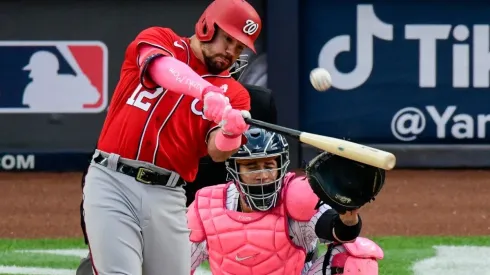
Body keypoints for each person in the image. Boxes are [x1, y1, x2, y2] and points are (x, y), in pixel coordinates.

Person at [81, 0, 263, 274]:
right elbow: (161, 69)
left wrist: (231, 132)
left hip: (168, 195)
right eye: (228, 39)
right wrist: (204, 92)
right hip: (112, 180)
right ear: (206, 26)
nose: (231, 52)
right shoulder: (160, 39)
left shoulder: (235, 94)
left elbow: (218, 151)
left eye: (239, 47)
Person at [188, 127, 385, 275]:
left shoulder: (297, 196)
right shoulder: (207, 205)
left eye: (268, 165)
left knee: (356, 258)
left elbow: (336, 231)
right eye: (251, 166)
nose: (262, 174)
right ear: (235, 170)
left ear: (281, 166)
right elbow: (177, 262)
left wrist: (347, 219)